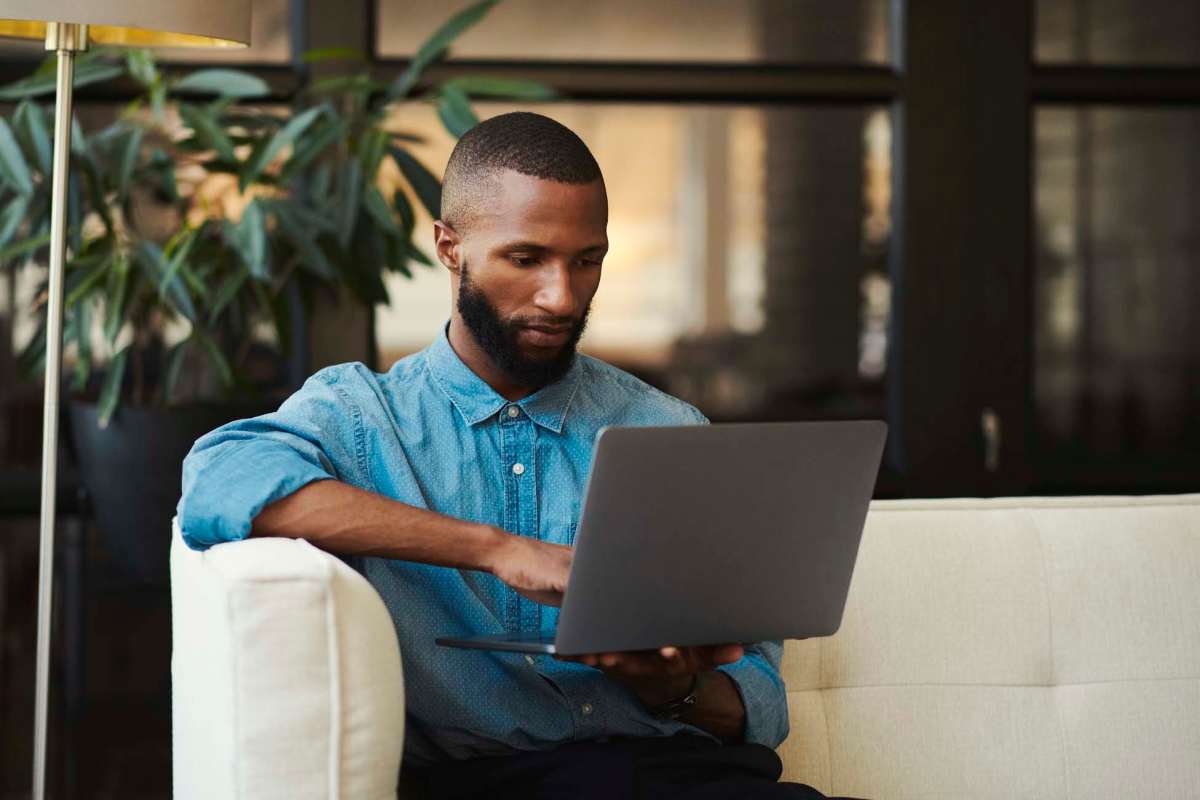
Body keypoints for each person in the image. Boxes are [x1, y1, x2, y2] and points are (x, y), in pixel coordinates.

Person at [179, 112, 846, 799]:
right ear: (449, 246)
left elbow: (757, 700)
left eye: (587, 260)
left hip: (691, 779)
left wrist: (674, 690)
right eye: (527, 259)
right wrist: (494, 548)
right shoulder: (362, 418)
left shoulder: (669, 429)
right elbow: (221, 482)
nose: (561, 297)